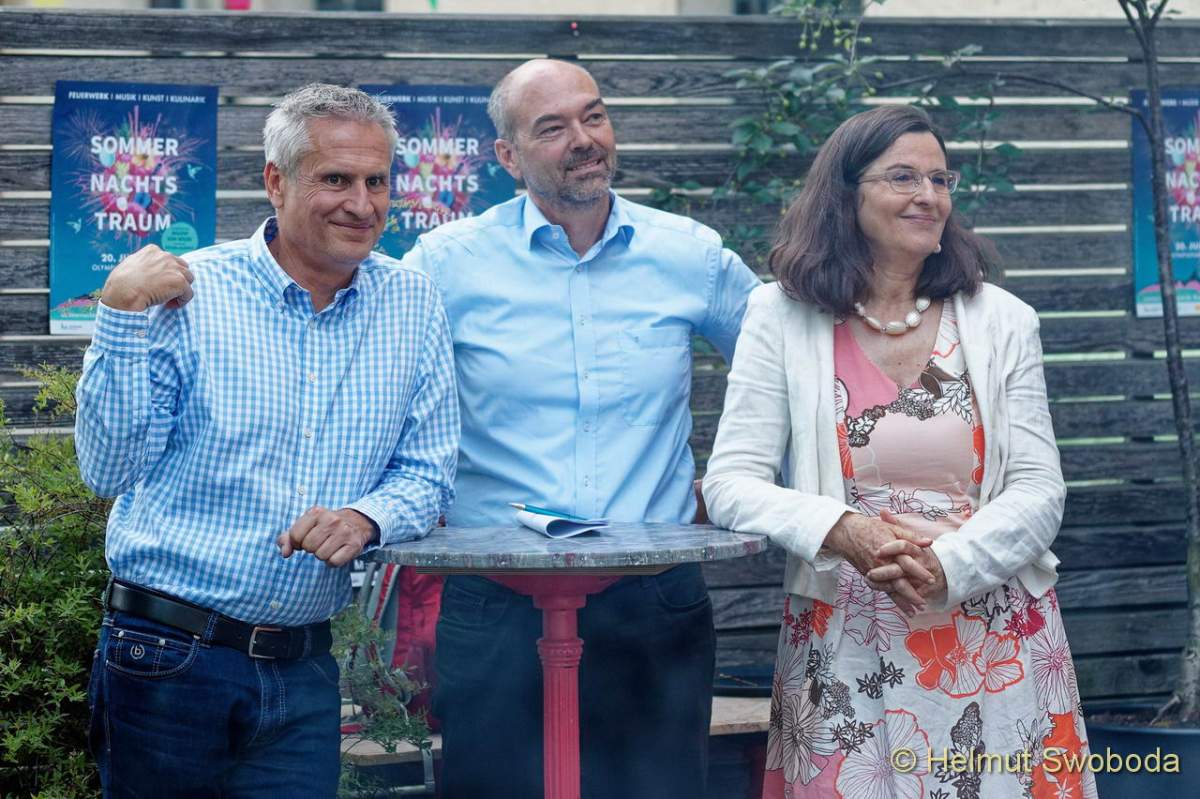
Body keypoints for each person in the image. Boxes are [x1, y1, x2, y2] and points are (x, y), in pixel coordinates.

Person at [76, 83, 459, 797]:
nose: (363, 204)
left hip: (305, 665)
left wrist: (365, 517)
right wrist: (121, 314)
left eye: (377, 181)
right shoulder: (192, 293)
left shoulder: (412, 302)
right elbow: (107, 469)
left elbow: (429, 472)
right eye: (336, 179)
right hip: (168, 657)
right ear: (276, 182)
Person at [703, 105, 1096, 799]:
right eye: (904, 177)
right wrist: (841, 529)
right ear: (846, 194)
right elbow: (731, 482)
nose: (928, 196)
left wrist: (950, 565)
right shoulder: (779, 315)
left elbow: (1040, 489)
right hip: (845, 637)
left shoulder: (1004, 320)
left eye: (940, 179)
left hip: (991, 632)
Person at [398, 59, 761, 798]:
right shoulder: (446, 263)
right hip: (496, 598)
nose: (584, 139)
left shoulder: (689, 254)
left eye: (593, 116)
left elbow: (781, 366)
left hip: (653, 599)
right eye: (553, 128)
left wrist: (738, 480)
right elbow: (379, 390)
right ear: (508, 156)